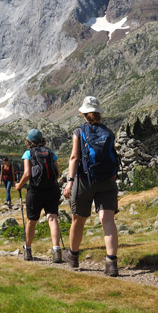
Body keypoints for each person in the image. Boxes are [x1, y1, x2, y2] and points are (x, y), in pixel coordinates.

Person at [63, 96, 120, 277]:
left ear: (83, 113)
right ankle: (111, 263)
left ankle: (73, 256)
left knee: (78, 219)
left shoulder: (79, 131)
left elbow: (74, 158)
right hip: (107, 180)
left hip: (84, 180)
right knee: (108, 220)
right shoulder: (109, 132)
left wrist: (69, 182)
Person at [15, 129, 63, 263]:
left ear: (29, 141)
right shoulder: (50, 152)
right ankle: (56, 251)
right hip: (52, 189)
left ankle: (28, 250)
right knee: (52, 218)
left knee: (31, 221)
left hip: (35, 190)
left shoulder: (28, 153)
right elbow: (57, 173)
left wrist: (19, 185)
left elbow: (27, 174)